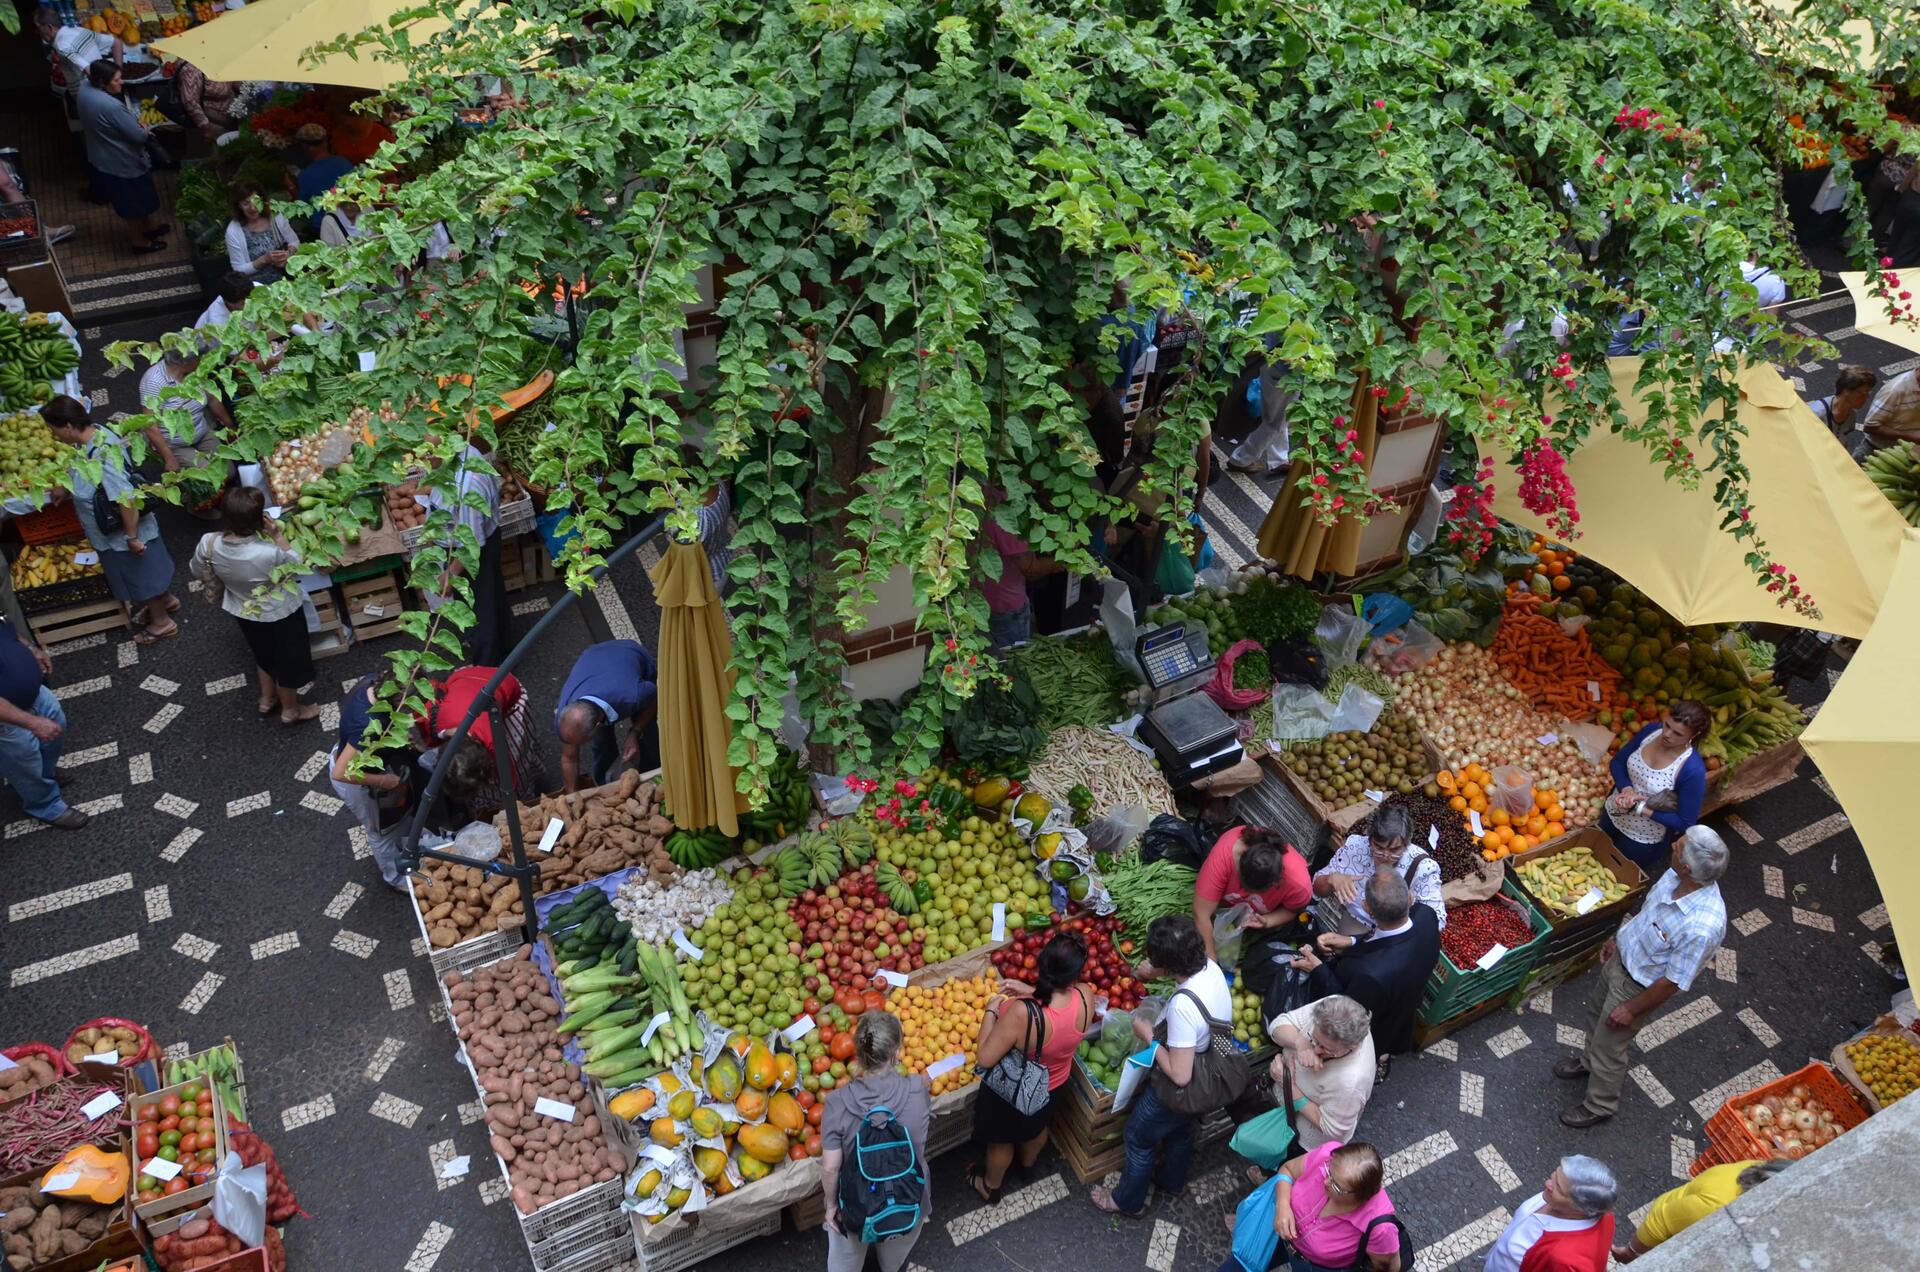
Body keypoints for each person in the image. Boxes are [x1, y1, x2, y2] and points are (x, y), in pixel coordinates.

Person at [1556, 826, 1728, 1128]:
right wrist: (1618, 938)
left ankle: (1600, 1104)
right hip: (1622, 960)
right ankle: (1586, 1063)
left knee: (1610, 1047)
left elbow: (1672, 982)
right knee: (1595, 1018)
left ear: (1687, 868)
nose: (1673, 844)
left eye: (1679, 845)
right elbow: (1648, 914)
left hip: (1637, 988)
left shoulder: (1702, 926)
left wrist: (1631, 1008)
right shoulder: (1675, 877)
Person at [1091, 915, 1232, 1216]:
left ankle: (1127, 1202)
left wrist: (1150, 1038)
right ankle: (1172, 1181)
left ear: (1169, 967)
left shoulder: (1182, 1007)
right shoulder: (1211, 967)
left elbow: (1180, 1075)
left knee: (1138, 1137)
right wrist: (1158, 971)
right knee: (1181, 1130)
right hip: (1210, 1070)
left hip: (1185, 1082)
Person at [966, 930, 1094, 1202]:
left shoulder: (1023, 1013)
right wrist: (1034, 992)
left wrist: (990, 1011)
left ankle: (990, 1186)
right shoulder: (1085, 996)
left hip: (1014, 1091)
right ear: (1075, 974)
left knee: (1001, 1140)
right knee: (1035, 1127)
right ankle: (1027, 1167)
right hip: (1053, 1084)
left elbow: (985, 1058)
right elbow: (1060, 1008)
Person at [42, 396, 179, 646]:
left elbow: (125, 500)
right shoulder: (97, 434)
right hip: (123, 529)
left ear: (68, 426)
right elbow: (82, 470)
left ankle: (161, 622)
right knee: (152, 570)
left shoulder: (103, 456)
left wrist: (132, 537)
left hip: (123, 532)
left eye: (54, 429)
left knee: (142, 576)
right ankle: (167, 599)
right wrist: (65, 486)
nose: (54, 435)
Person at [192, 486, 317, 725]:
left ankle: (266, 698)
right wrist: (278, 536)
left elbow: (197, 569)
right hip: (279, 613)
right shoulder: (268, 552)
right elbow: (299, 565)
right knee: (287, 662)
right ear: (260, 519)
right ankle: (291, 710)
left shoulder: (208, 543)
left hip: (245, 610)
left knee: (263, 653)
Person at [1292, 872, 1440, 1073]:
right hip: (1405, 1001)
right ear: (1409, 898)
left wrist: (1317, 969)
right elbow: (1389, 938)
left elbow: (1345, 1009)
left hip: (1378, 1018)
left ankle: (1377, 1062)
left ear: (1366, 908)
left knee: (1376, 1042)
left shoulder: (1370, 976)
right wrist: (1352, 941)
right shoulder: (1427, 915)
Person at [820, 1011, 931, 1272]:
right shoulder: (917, 1089)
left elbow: (831, 1168)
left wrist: (831, 1206)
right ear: (896, 1054)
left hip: (858, 1202)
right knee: (894, 1255)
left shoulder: (837, 1103)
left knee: (846, 1260)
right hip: (907, 1195)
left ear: (857, 1055)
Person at [1218, 1141, 1403, 1272]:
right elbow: (1287, 1170)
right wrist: (1283, 1205)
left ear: (1362, 1197)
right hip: (1279, 1238)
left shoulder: (1380, 1229)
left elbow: (1388, 1267)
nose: (1326, 1182)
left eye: (1337, 1186)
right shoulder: (1329, 1155)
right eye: (1329, 1172)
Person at [1600, 700, 1709, 876]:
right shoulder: (1650, 732)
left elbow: (1685, 822)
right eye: (1667, 725)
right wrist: (1627, 789)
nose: (1667, 734)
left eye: (1678, 734)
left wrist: (1641, 808)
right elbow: (1618, 762)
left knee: (1616, 876)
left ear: (1694, 735)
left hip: (1640, 838)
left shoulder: (1692, 770)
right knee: (1593, 857)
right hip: (1612, 813)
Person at [330, 673, 417, 892]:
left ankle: (407, 844)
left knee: (396, 819)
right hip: (357, 781)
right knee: (381, 831)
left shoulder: (372, 682)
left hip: (362, 757)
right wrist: (382, 780)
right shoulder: (367, 726)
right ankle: (396, 878)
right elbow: (340, 772)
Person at [425, 442, 509, 665]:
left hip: (472, 553)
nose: (421, 460)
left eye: (425, 453)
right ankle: (502, 647)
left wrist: (450, 574)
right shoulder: (460, 451)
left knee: (482, 612)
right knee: (488, 601)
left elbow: (472, 544)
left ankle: (488, 671)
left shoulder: (467, 485)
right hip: (468, 543)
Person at [0, 613, 86, 829]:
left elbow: (6, 630)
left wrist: (31, 650)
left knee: (56, 731)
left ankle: (44, 776)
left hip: (35, 694)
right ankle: (45, 805)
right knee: (24, 760)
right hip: (7, 717)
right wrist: (32, 722)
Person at [1612, 1158, 1789, 1263]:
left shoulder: (1758, 1168)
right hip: (1673, 1227)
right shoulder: (1716, 1207)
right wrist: (1631, 1252)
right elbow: (1657, 1224)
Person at [1262, 995, 1376, 1156]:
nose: (1315, 1050)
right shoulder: (1331, 1009)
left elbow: (1333, 1130)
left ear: (1352, 1046)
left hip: (1301, 1137)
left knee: (1283, 1160)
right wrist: (1300, 1043)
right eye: (1314, 1039)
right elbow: (1277, 1025)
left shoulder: (1350, 1083)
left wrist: (1287, 1085)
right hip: (1282, 1107)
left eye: (1326, 1049)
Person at [75, 60, 168, 254]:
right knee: (133, 204)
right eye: (117, 80)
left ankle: (148, 228)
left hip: (102, 155)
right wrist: (143, 127)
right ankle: (139, 242)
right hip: (123, 162)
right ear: (102, 82)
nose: (122, 82)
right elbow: (138, 136)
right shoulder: (110, 106)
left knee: (141, 198)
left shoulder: (84, 87)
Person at [1312, 806, 1446, 935]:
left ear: (1406, 844)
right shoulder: (1355, 848)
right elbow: (1316, 889)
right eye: (1379, 847)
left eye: (1394, 850)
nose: (1386, 856)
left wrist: (1404, 913)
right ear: (1369, 839)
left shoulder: (1423, 868)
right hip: (1357, 923)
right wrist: (1332, 879)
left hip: (1395, 935)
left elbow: (1437, 921)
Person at [1193, 824, 1313, 966]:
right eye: (1243, 886)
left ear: (1277, 880)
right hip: (1222, 907)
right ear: (1240, 860)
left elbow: (1293, 910)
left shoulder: (1298, 884)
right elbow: (1201, 913)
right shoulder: (1225, 854)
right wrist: (1211, 963)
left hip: (1252, 924)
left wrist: (1268, 921)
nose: (1247, 893)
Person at [554, 639, 659, 792]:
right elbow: (569, 758)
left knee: (649, 735)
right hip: (595, 658)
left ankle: (653, 770)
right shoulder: (566, 717)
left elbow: (654, 698)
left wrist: (635, 732)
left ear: (599, 724)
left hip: (630, 653)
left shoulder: (633, 695)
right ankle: (604, 782)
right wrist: (573, 799)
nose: (574, 747)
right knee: (602, 744)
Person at [1482, 1156, 1616, 1272]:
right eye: (1555, 1175)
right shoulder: (1605, 1216)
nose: (1547, 1183)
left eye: (1558, 1187)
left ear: (1580, 1208)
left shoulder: (1562, 1260)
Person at [138, 347, 234, 492]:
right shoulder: (153, 381)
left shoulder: (196, 372)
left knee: (229, 472)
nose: (203, 361)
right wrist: (168, 456)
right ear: (185, 362)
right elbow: (149, 424)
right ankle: (195, 503)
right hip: (174, 443)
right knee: (210, 479)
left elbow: (213, 399)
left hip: (201, 431)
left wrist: (230, 426)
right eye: (199, 358)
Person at [34, 6, 121, 96]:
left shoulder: (62, 45)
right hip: (101, 89)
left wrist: (103, 92)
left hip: (88, 95)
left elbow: (89, 70)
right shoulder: (79, 30)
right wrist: (118, 73)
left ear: (49, 27)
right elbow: (117, 43)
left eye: (38, 27)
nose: (37, 32)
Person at [224, 183, 301, 283]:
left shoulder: (275, 216)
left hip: (289, 280)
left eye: (256, 201)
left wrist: (288, 254)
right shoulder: (233, 231)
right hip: (258, 288)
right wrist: (264, 260)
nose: (252, 208)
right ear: (238, 206)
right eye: (246, 203)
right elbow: (238, 269)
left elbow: (294, 241)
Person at [293, 123, 354, 229]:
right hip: (355, 221)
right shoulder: (344, 163)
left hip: (327, 227)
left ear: (304, 146)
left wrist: (291, 188)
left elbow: (304, 208)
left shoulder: (305, 175)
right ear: (325, 142)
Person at [1806, 365, 1877, 451]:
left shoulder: (1851, 415)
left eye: (1868, 393)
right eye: (1864, 393)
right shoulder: (1817, 413)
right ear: (1847, 390)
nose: (1867, 397)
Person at [172, 60, 241, 140]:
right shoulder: (191, 69)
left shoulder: (218, 58)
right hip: (212, 122)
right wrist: (206, 129)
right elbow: (190, 101)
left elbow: (233, 81)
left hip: (231, 117)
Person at [1859, 365, 1920, 451]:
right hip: (1879, 451)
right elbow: (1870, 426)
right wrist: (1910, 437)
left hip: (1910, 449)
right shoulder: (1894, 391)